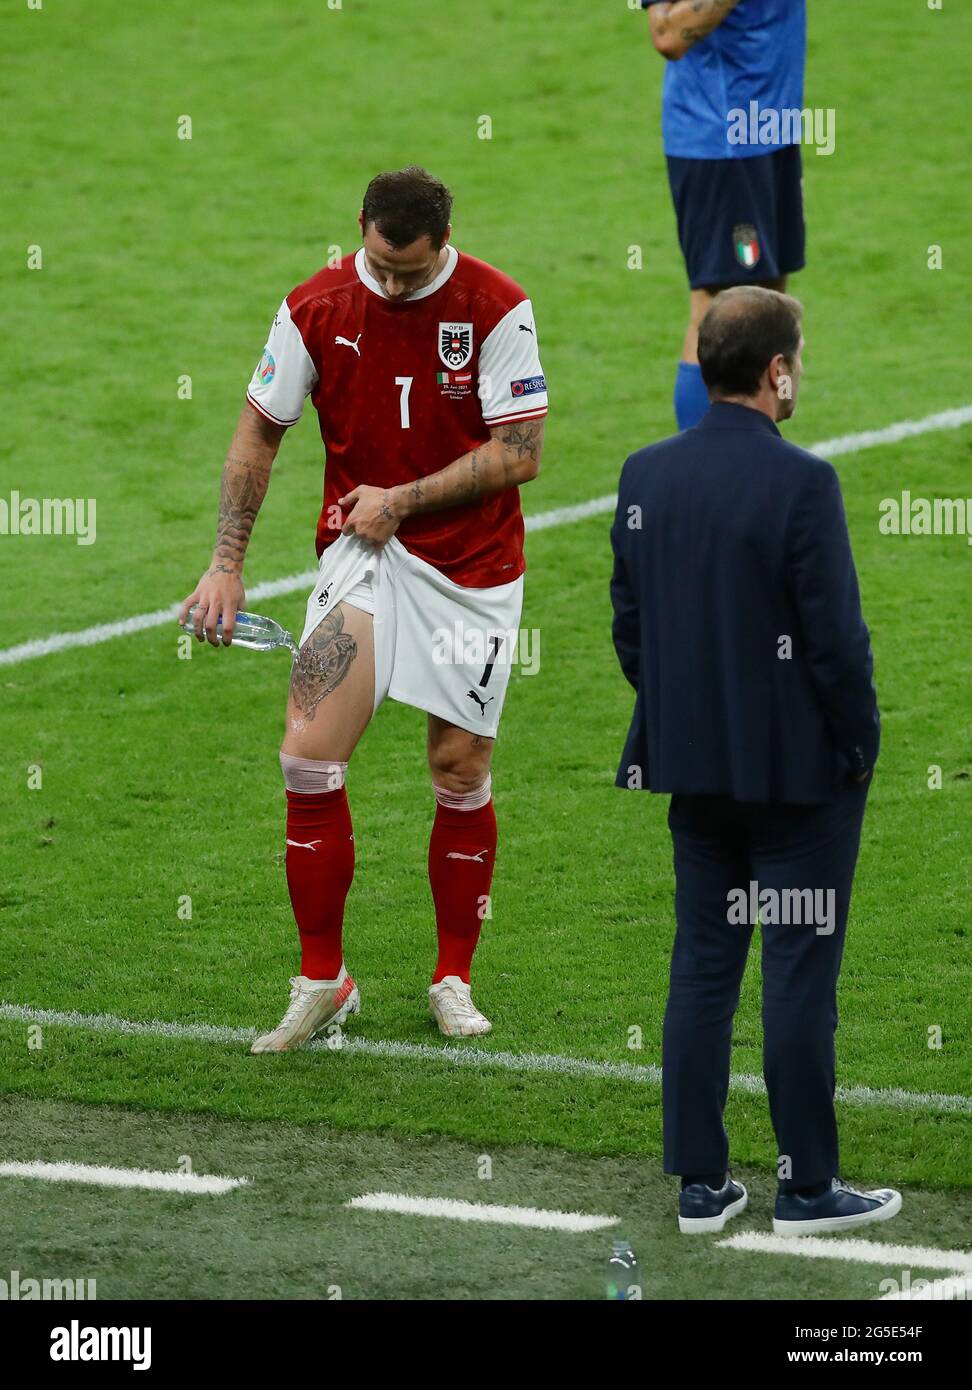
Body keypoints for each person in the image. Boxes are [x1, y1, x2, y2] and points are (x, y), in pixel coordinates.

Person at [179, 167, 547, 1049]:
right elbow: (258, 430)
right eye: (383, 263)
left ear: (441, 244)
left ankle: (451, 976)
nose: (394, 283)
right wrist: (225, 565)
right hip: (365, 554)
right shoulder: (316, 304)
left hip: (473, 567)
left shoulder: (497, 307)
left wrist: (404, 498)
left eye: (413, 272)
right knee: (307, 754)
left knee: (458, 768)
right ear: (363, 230)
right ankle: (322, 980)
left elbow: (523, 450)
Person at [610, 286, 900, 1236]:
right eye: (798, 360)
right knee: (797, 972)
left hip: (691, 769)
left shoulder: (646, 475)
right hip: (798, 781)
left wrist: (682, 718)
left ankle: (701, 1185)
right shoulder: (804, 484)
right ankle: (808, 1187)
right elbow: (837, 646)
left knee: (701, 965)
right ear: (777, 372)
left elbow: (632, 632)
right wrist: (860, 744)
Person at [640, 0, 807, 429]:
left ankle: (759, 458)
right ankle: (704, 474)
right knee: (721, 308)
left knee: (772, 307)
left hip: (775, 129)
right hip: (720, 141)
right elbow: (669, 35)